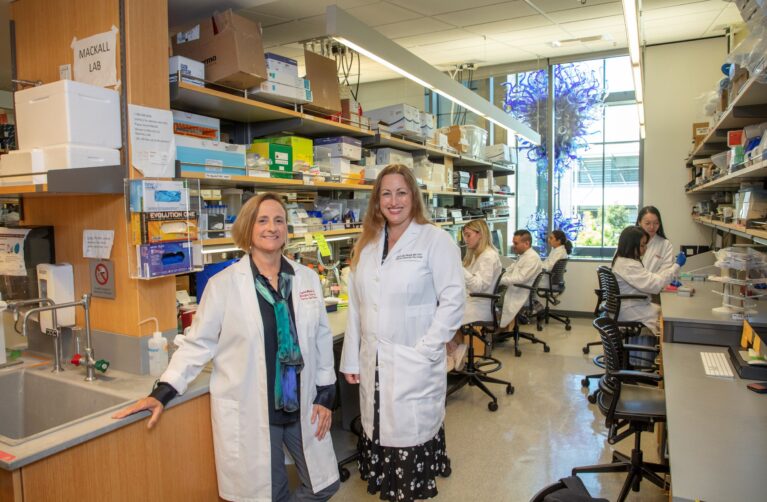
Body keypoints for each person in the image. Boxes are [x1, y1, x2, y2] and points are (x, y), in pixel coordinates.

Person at [113, 193, 340, 502]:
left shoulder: (306, 279)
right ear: (248, 229)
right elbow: (198, 345)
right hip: (255, 409)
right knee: (270, 492)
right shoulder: (224, 286)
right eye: (262, 220)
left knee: (325, 484)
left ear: (287, 229)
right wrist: (162, 392)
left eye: (278, 220)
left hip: (300, 403)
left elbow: (321, 340)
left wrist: (325, 395)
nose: (271, 227)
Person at [340, 164, 465, 502]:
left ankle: (409, 485)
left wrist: (426, 348)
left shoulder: (434, 239)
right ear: (376, 200)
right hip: (375, 360)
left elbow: (453, 301)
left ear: (413, 196)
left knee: (409, 428)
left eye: (401, 192)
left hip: (414, 358)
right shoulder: (367, 244)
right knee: (378, 421)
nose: (393, 201)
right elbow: (357, 307)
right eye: (386, 193)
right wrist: (352, 358)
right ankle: (385, 478)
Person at [446, 219, 502, 371]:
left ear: (480, 234)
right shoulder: (477, 255)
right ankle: (456, 353)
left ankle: (454, 354)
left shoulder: (488, 256)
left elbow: (478, 286)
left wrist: (457, 266)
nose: (465, 239)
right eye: (464, 235)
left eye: (468, 235)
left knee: (442, 317)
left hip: (479, 306)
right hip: (471, 301)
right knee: (443, 313)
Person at [611, 225, 686, 335]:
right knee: (666, 318)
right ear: (631, 245)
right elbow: (655, 284)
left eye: (645, 244)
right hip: (629, 308)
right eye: (642, 245)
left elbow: (649, 278)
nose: (645, 248)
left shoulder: (622, 260)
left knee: (661, 312)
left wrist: (667, 276)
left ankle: (648, 347)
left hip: (626, 306)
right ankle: (651, 349)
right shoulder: (629, 265)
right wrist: (677, 266)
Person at [499, 229, 543, 328]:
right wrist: (500, 274)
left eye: (516, 243)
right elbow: (511, 268)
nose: (513, 246)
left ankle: (495, 332)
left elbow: (520, 279)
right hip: (517, 290)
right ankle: (502, 330)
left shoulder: (532, 258)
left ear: (526, 243)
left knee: (490, 300)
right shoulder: (524, 256)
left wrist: (499, 280)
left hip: (520, 294)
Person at [636, 206, 674, 274]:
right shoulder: (630, 240)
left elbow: (667, 272)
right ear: (639, 222)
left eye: (656, 223)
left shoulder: (665, 244)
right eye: (647, 223)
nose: (652, 227)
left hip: (657, 284)